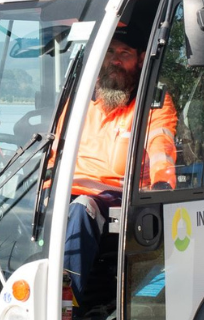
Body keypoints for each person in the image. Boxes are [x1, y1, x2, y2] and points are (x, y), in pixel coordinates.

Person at [63, 36, 176, 284]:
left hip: (117, 193)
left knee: (83, 208)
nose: (115, 60)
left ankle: (65, 308)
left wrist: (162, 181)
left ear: (140, 60)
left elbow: (161, 142)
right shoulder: (80, 100)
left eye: (125, 53)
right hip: (65, 189)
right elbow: (55, 151)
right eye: (111, 51)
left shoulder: (152, 101)